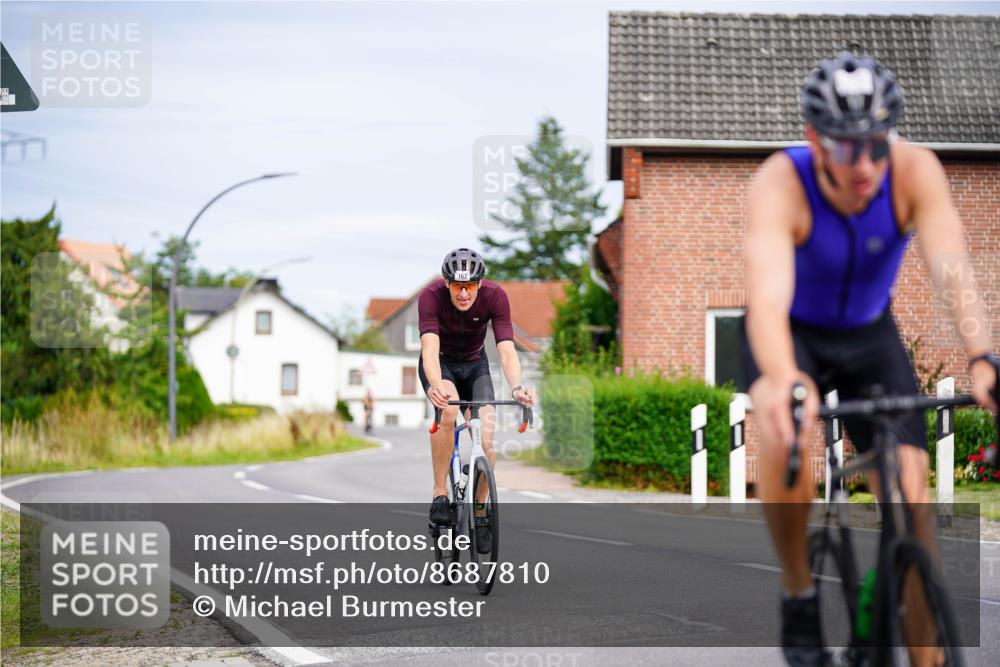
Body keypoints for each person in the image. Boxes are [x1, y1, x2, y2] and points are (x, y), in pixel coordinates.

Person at [744, 52, 998, 666]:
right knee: (782, 441)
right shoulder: (780, 182)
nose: (864, 166)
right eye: (844, 147)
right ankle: (800, 591)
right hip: (795, 334)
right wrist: (784, 380)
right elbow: (768, 296)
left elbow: (952, 269)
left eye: (875, 145)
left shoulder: (916, 171)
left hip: (868, 336)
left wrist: (983, 356)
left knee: (914, 508)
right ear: (814, 139)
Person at [417, 248, 536, 527]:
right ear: (446, 283)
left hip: (474, 365)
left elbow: (506, 350)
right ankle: (440, 495)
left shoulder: (496, 296)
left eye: (469, 286)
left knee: (486, 436)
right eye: (457, 286)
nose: (463, 294)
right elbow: (429, 351)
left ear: (479, 284)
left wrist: (517, 387)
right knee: (447, 412)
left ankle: (480, 508)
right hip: (442, 364)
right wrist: (435, 385)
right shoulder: (430, 297)